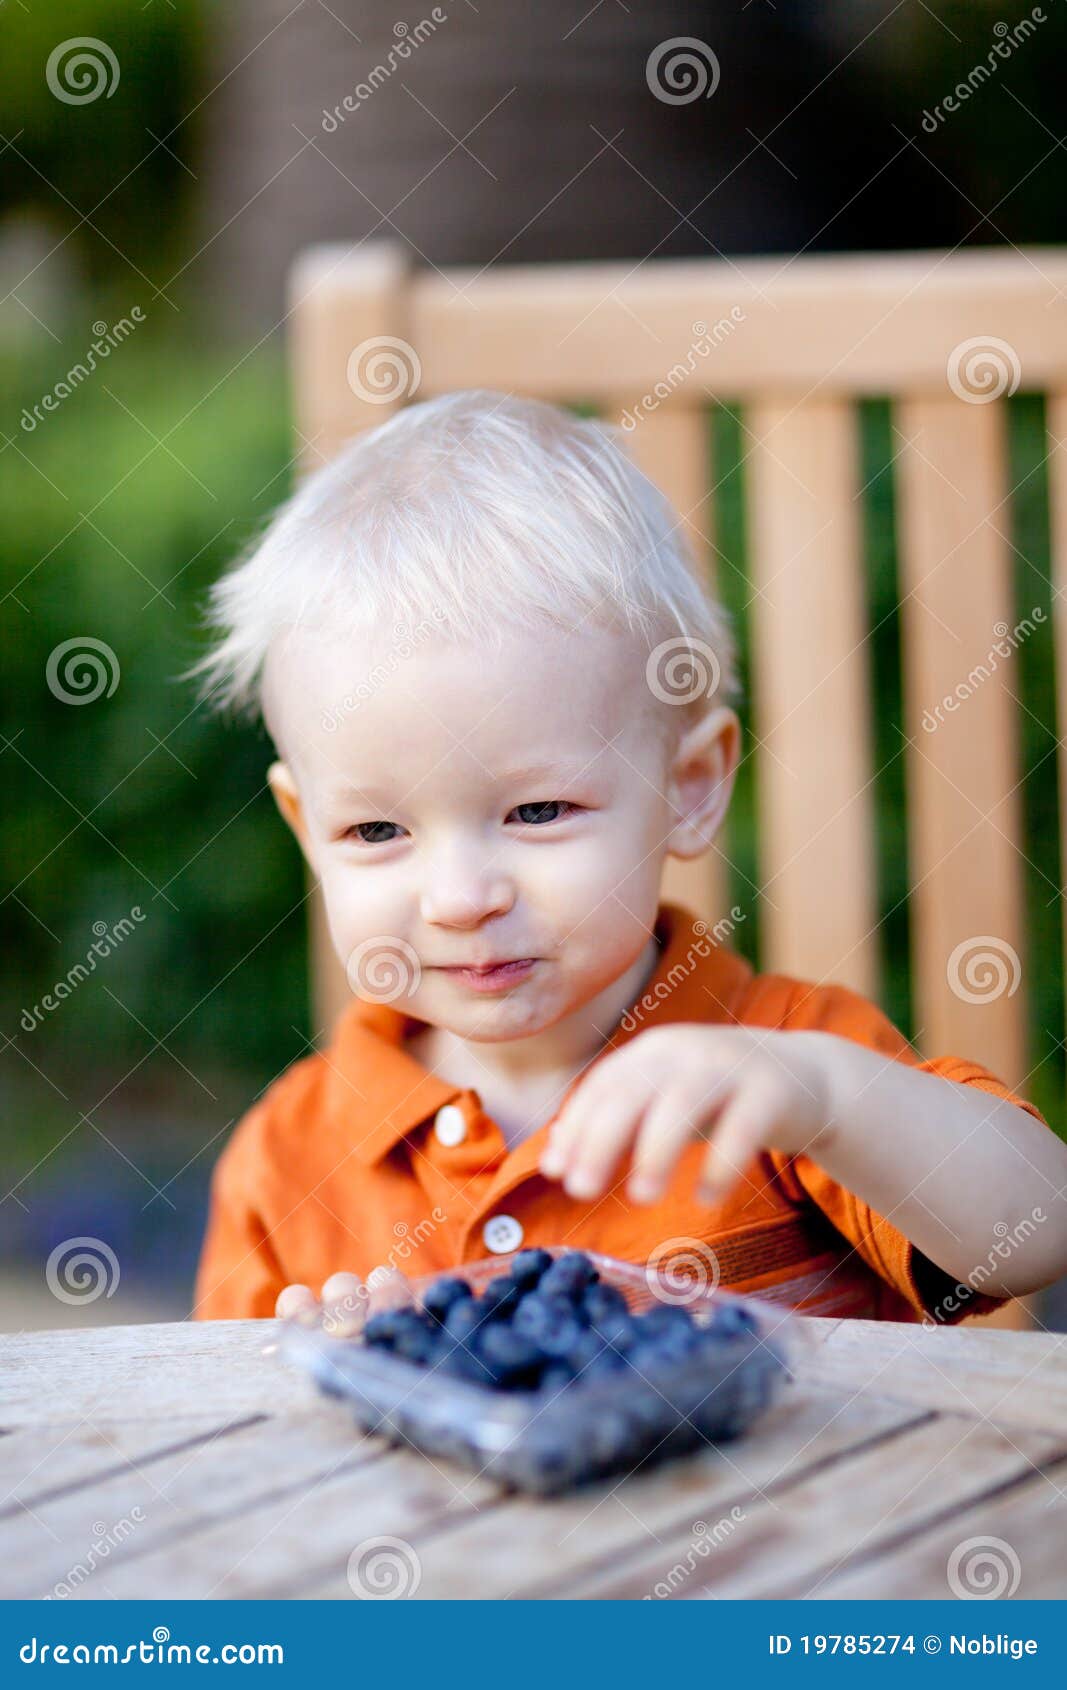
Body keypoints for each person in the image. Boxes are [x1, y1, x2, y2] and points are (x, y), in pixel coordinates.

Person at [187, 391, 1067, 1326]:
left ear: (688, 788)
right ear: (303, 827)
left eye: (536, 810)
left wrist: (819, 1096)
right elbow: (216, 1446)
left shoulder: (774, 1065)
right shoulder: (288, 1156)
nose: (459, 898)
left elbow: (1036, 1231)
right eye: (375, 832)